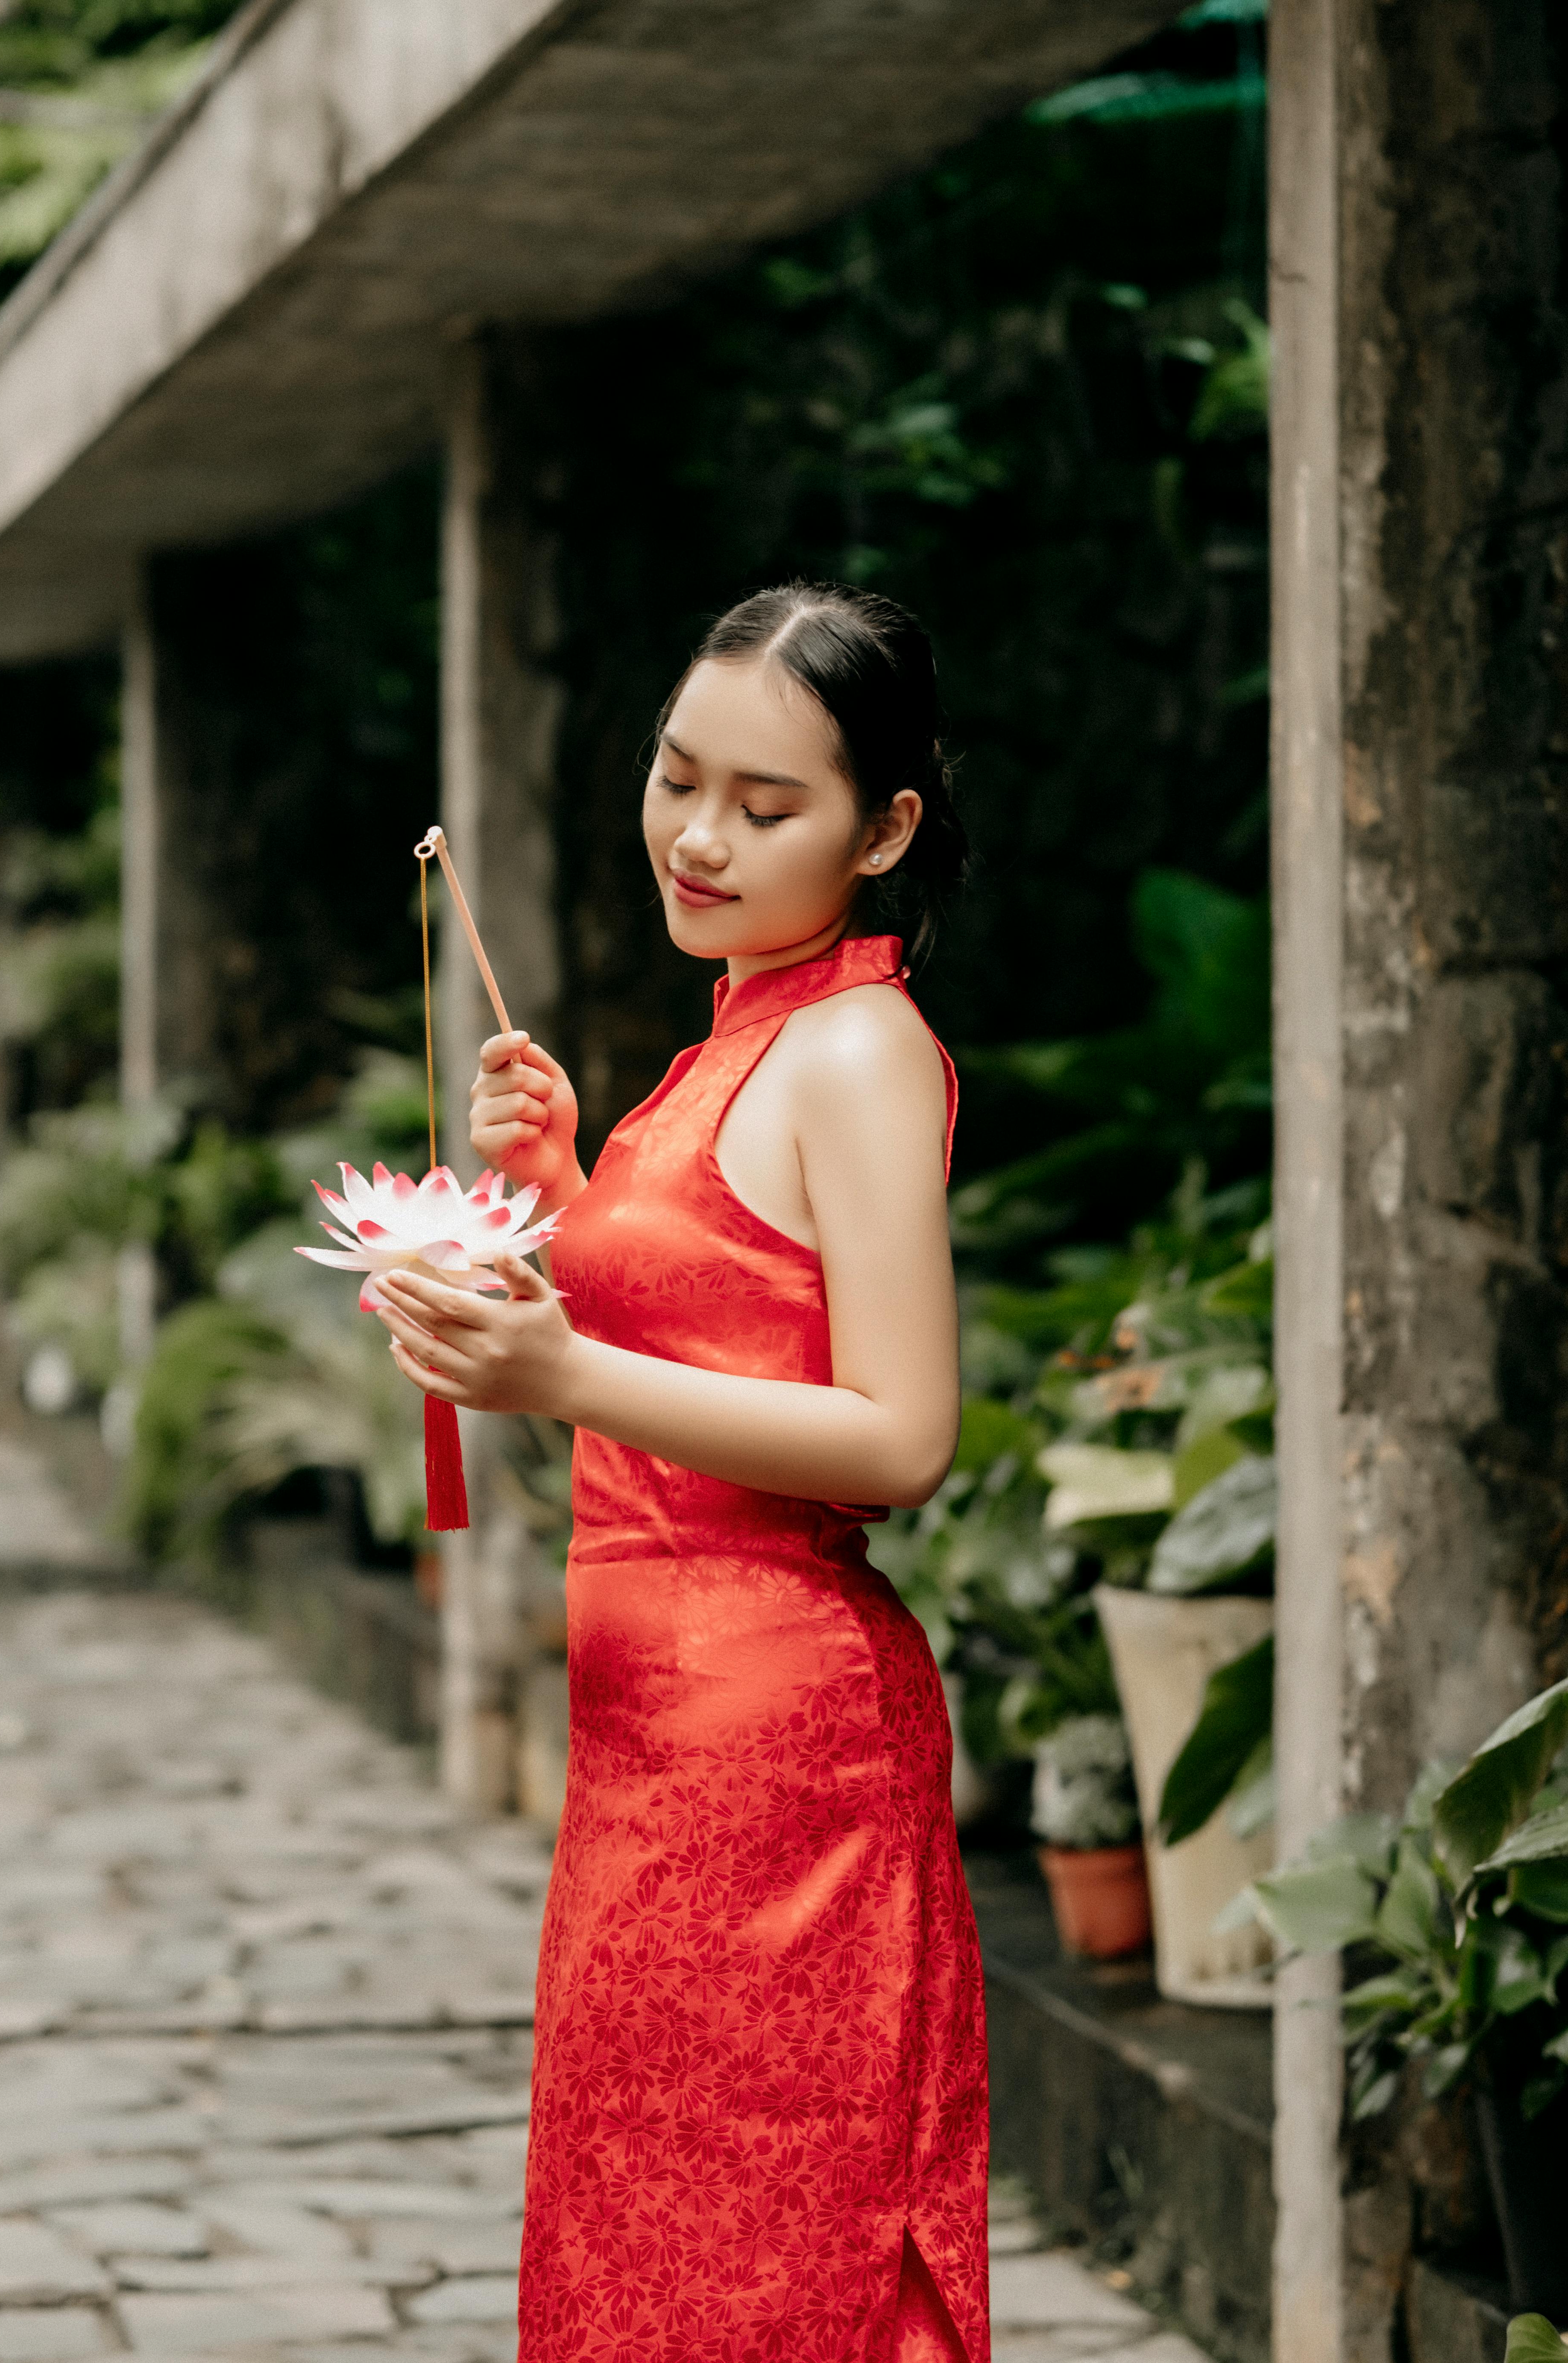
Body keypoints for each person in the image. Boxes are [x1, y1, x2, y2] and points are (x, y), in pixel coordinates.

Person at [375, 582, 990, 2361]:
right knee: (652, 2244)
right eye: (676, 778)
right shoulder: (745, 1031)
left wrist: (561, 1362)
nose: (699, 838)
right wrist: (570, 1195)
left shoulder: (858, 1049)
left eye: (767, 806)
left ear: (885, 831)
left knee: (769, 2258)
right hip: (659, 1758)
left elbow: (898, 1436)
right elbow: (723, 1340)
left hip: (781, 1757)